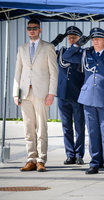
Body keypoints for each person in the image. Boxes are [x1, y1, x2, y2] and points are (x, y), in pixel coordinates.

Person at [63, 27, 104, 175]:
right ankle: (94, 163)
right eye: (93, 39)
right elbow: (67, 56)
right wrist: (77, 45)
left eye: (98, 39)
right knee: (93, 133)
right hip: (88, 98)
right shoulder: (85, 53)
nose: (95, 41)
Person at [13, 19, 58, 172]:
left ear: (40, 30)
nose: (32, 30)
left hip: (42, 93)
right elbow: (17, 73)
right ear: (27, 30)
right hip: (25, 93)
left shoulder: (48, 47)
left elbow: (54, 73)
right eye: (29, 28)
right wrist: (15, 93)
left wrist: (51, 93)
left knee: (42, 127)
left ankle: (41, 160)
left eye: (34, 28)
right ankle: (31, 159)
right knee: (28, 127)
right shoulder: (22, 48)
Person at [50, 26, 85, 165]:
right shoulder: (61, 52)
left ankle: (79, 155)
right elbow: (45, 51)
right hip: (63, 94)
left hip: (78, 95)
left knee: (79, 127)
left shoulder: (82, 53)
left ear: (79, 39)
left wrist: (77, 46)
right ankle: (70, 154)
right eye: (69, 37)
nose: (71, 39)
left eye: (74, 37)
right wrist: (56, 41)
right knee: (66, 126)